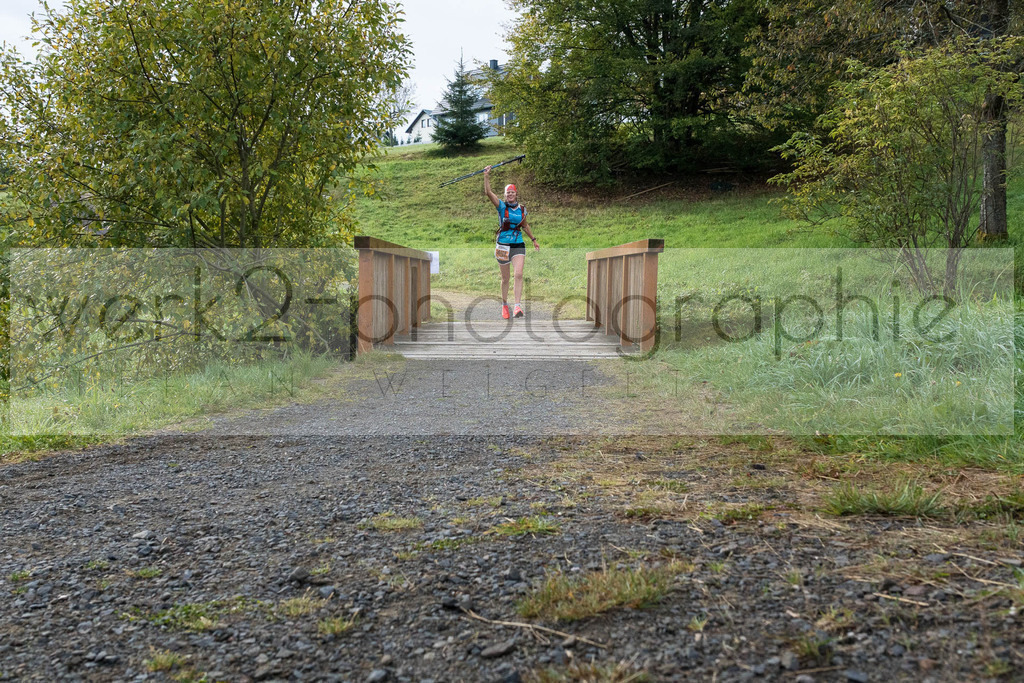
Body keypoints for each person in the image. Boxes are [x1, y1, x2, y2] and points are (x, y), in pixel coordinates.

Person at [483, 165, 539, 319]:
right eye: (508, 193)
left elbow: (525, 225)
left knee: (519, 274)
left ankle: (517, 307)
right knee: (505, 278)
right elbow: (488, 193)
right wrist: (486, 176)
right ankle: (504, 304)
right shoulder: (501, 206)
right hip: (502, 245)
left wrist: (533, 240)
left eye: (512, 192)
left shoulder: (522, 209)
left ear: (516, 193)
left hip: (518, 244)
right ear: (505, 195)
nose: (510, 195)